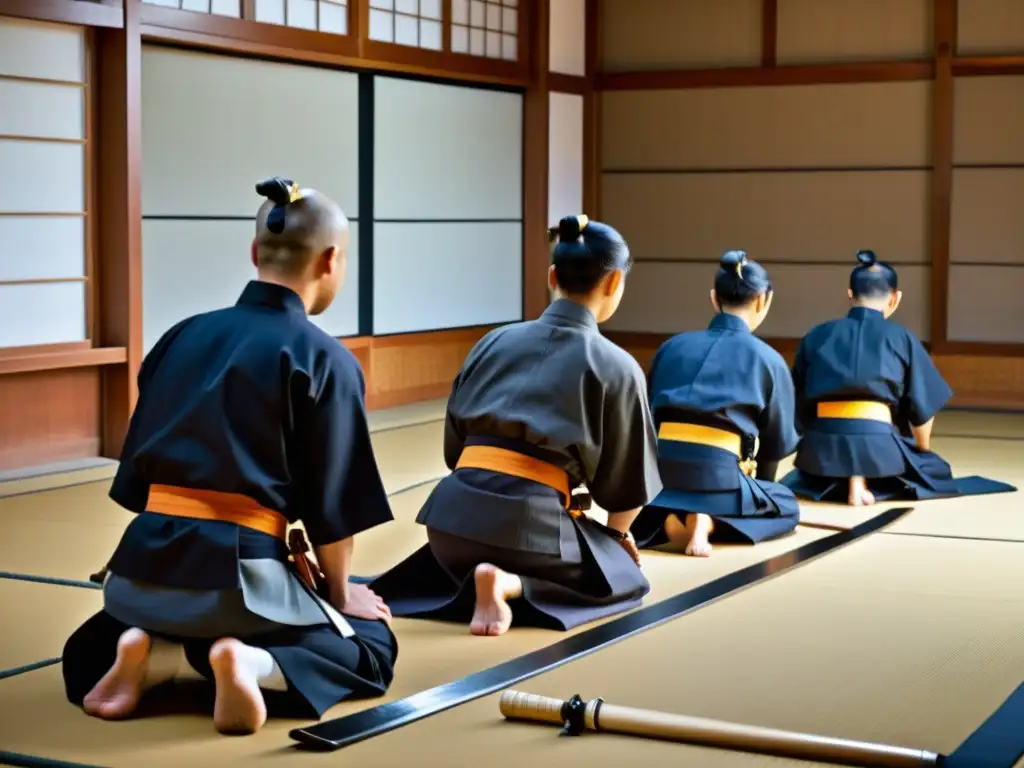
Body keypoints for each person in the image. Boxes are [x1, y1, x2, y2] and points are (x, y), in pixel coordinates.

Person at [62, 177, 398, 736]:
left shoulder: (180, 336)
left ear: (253, 253)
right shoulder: (325, 359)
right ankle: (248, 662)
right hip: (239, 579)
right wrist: (340, 595)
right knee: (370, 644)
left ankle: (154, 652)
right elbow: (334, 509)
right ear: (332, 260)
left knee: (83, 654)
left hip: (138, 573)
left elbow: (134, 491)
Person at [370, 215, 663, 637]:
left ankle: (478, 579)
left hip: (447, 529)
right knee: (625, 579)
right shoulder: (617, 366)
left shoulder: (493, 340)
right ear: (615, 282)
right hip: (530, 537)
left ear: (551, 276)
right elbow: (627, 488)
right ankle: (510, 586)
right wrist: (613, 544)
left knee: (462, 559)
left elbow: (455, 453)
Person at [781, 249, 1016, 505]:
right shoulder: (902, 338)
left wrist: (817, 438)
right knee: (932, 470)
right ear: (895, 298)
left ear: (850, 295)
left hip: (823, 452)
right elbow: (923, 410)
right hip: (880, 449)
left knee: (802, 477)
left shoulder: (817, 335)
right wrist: (921, 453)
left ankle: (847, 478)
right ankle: (863, 480)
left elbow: (797, 403)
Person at [630, 251, 800, 557]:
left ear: (713, 298)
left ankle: (672, 523)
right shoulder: (769, 359)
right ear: (763, 300)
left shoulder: (672, 347)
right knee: (786, 506)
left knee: (639, 515)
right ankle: (710, 522)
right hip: (721, 478)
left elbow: (647, 421)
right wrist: (756, 496)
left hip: (661, 482)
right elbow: (776, 445)